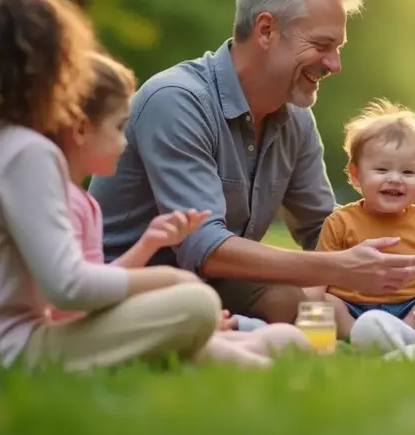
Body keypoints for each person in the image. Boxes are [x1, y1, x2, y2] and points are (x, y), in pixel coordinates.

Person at [88, 0, 415, 326]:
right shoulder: (176, 101)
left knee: (294, 305)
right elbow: (205, 247)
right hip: (124, 286)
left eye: (337, 49)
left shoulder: (296, 118)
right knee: (294, 309)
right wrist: (336, 266)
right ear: (266, 30)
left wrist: (407, 267)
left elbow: (322, 229)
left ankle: (247, 333)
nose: (334, 64)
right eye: (322, 45)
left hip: (210, 284)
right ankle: (234, 334)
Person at [0, 0, 220, 371]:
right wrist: (170, 280)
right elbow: (69, 287)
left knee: (185, 331)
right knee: (194, 303)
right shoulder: (25, 153)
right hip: (1, 353)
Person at [53, 51, 313, 367]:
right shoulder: (58, 203)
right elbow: (73, 297)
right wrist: (172, 287)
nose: (126, 142)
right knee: (197, 305)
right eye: (119, 127)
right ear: (81, 130)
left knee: (286, 337)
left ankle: (220, 338)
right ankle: (249, 363)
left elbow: (100, 280)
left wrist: (149, 244)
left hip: (106, 315)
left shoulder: (85, 203)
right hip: (75, 330)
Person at [310, 100, 415, 337]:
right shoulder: (340, 222)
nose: (395, 179)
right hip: (353, 308)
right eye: (382, 170)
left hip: (412, 308)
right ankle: (357, 337)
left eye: (407, 172)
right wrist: (311, 301)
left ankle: (407, 336)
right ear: (356, 175)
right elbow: (321, 274)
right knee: (327, 303)